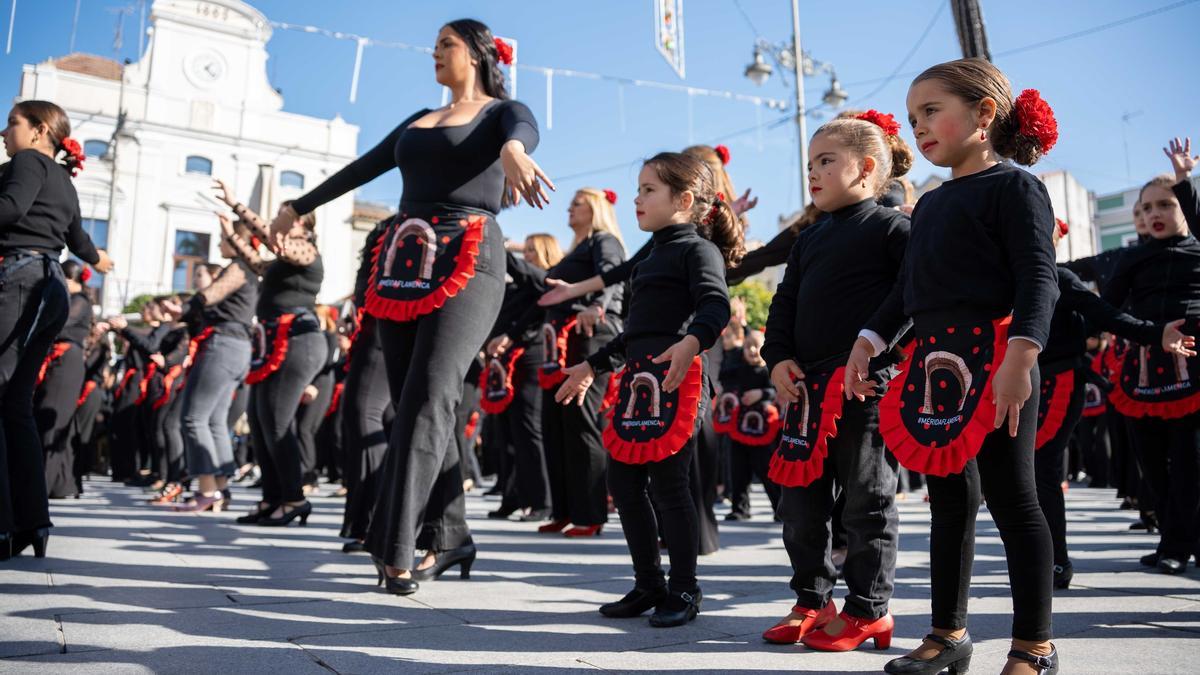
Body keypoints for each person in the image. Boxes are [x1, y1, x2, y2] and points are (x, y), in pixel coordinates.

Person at [272, 18, 550, 595]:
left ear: (475, 53)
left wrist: (516, 151)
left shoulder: (502, 113)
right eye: (434, 46)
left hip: (470, 254)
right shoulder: (418, 119)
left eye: (445, 45)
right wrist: (297, 206)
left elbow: (521, 127)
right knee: (416, 403)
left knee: (427, 397)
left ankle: (394, 545)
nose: (434, 54)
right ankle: (451, 537)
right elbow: (363, 168)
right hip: (405, 259)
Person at [844, 59, 1063, 674]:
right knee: (949, 502)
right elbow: (907, 289)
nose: (920, 127)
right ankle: (948, 635)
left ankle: (1035, 647)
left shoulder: (1016, 187)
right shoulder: (932, 203)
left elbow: (1038, 278)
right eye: (914, 118)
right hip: (935, 366)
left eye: (931, 111)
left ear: (984, 114)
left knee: (1015, 499)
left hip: (997, 360)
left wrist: (1022, 355)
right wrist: (869, 339)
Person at [556, 151, 740, 627]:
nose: (637, 199)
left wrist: (691, 342)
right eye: (637, 189)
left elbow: (715, 305)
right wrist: (593, 365)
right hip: (640, 383)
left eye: (648, 190)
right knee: (624, 483)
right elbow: (635, 333)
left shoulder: (698, 250)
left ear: (683, 199)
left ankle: (684, 588)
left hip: (679, 380)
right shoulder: (651, 255)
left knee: (670, 486)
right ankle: (648, 584)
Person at [760, 111, 912, 652]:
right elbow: (784, 307)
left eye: (826, 161)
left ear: (868, 168)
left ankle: (869, 610)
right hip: (806, 394)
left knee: (866, 502)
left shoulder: (894, 229)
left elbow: (910, 305)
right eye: (809, 164)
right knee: (799, 506)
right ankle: (812, 600)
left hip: (864, 389)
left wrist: (883, 367)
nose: (813, 173)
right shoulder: (808, 241)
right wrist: (776, 358)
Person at [1, 100, 112, 560]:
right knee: (15, 407)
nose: (5, 132)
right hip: (48, 287)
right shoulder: (63, 178)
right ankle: (33, 521)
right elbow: (80, 240)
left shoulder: (28, 162)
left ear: (40, 131)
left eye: (12, 124)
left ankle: (6, 524)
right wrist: (99, 260)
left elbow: (9, 210)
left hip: (20, 278)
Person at [1103, 136, 1200, 576]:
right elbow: (1105, 308)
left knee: (1187, 464)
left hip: (1194, 366)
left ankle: (1177, 545)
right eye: (1145, 208)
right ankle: (1173, 537)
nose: (1154, 214)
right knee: (1151, 466)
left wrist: (1184, 180)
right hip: (1142, 370)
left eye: (1164, 204)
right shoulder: (1131, 259)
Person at [35, 261, 94, 499]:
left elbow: (60, 323)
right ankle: (56, 483)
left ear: (73, 280)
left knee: (54, 419)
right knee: (48, 417)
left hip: (67, 362)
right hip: (59, 361)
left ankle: (44, 484)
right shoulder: (72, 300)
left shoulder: (80, 302)